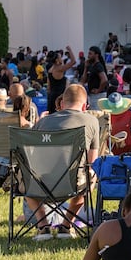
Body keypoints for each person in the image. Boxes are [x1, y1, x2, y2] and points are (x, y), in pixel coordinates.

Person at [29, 84, 100, 240]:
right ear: (84, 106)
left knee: (25, 177)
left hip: (41, 184)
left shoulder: (43, 122)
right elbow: (92, 161)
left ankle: (43, 226)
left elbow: (29, 155)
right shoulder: (92, 121)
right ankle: (66, 225)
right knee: (91, 175)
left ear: (61, 104)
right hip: (73, 183)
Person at [47, 45, 76, 114]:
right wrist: (70, 50)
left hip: (52, 96)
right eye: (60, 57)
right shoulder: (60, 69)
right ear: (57, 60)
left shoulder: (50, 70)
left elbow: (48, 87)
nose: (62, 59)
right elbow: (73, 61)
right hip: (59, 96)